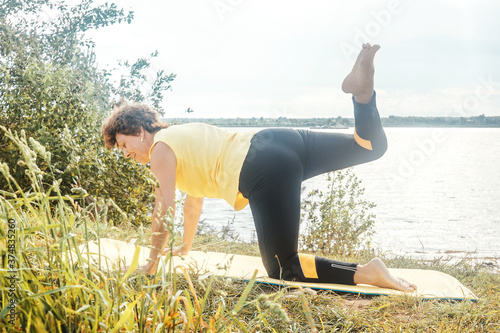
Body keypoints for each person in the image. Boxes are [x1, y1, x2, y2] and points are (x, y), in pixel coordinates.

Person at [101, 44, 416, 292]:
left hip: (261, 166)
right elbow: (192, 201)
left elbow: (163, 208)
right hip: (280, 141)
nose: (126, 154)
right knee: (369, 147)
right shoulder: (182, 138)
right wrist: (185, 246)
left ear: (140, 131)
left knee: (284, 268)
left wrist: (151, 264)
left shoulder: (160, 150)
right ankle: (362, 96)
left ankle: (367, 272)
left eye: (125, 145)